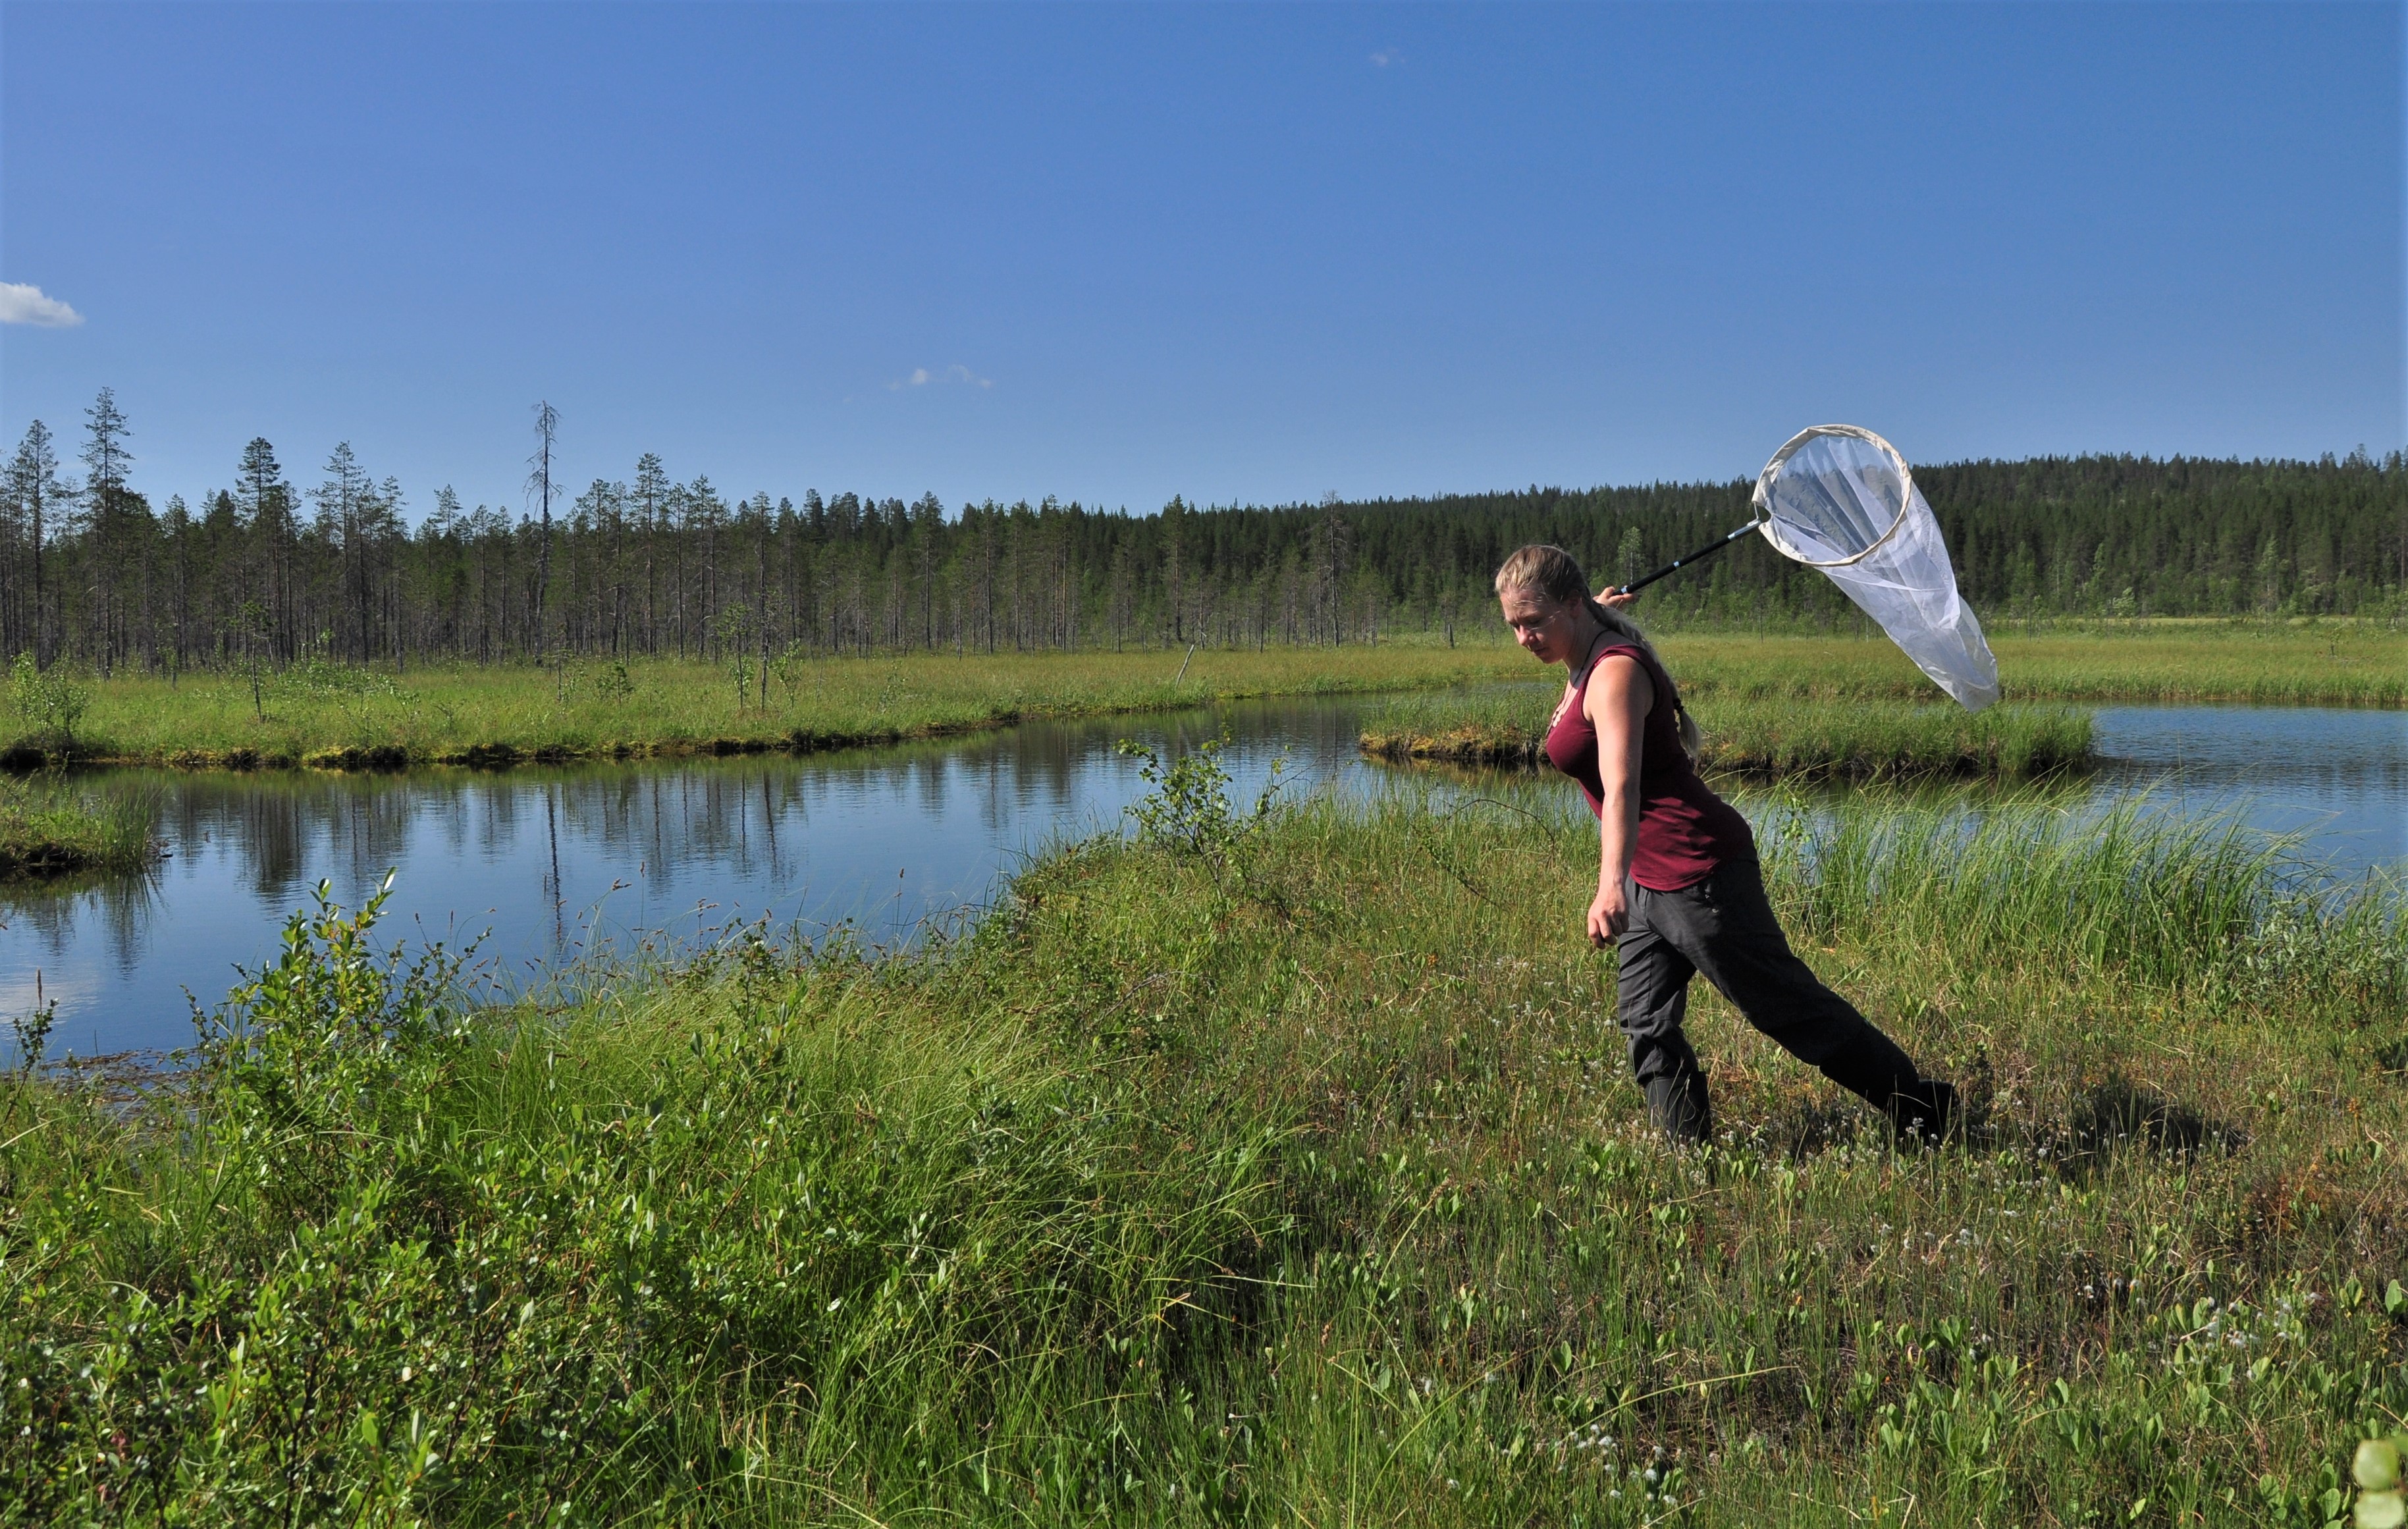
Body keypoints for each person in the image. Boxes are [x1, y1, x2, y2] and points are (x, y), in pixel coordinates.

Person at [1493, 543, 1954, 1146]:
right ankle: (1688, 1158)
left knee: (1784, 1007)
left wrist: (1608, 884)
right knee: (1645, 1023)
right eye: (1514, 626)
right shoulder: (1585, 646)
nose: (1525, 637)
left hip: (1698, 870)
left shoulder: (1613, 674)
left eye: (1534, 622)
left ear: (1572, 606)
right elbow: (1584, 638)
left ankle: (1920, 1109)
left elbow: (1623, 785)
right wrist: (1596, 614)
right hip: (1647, 876)